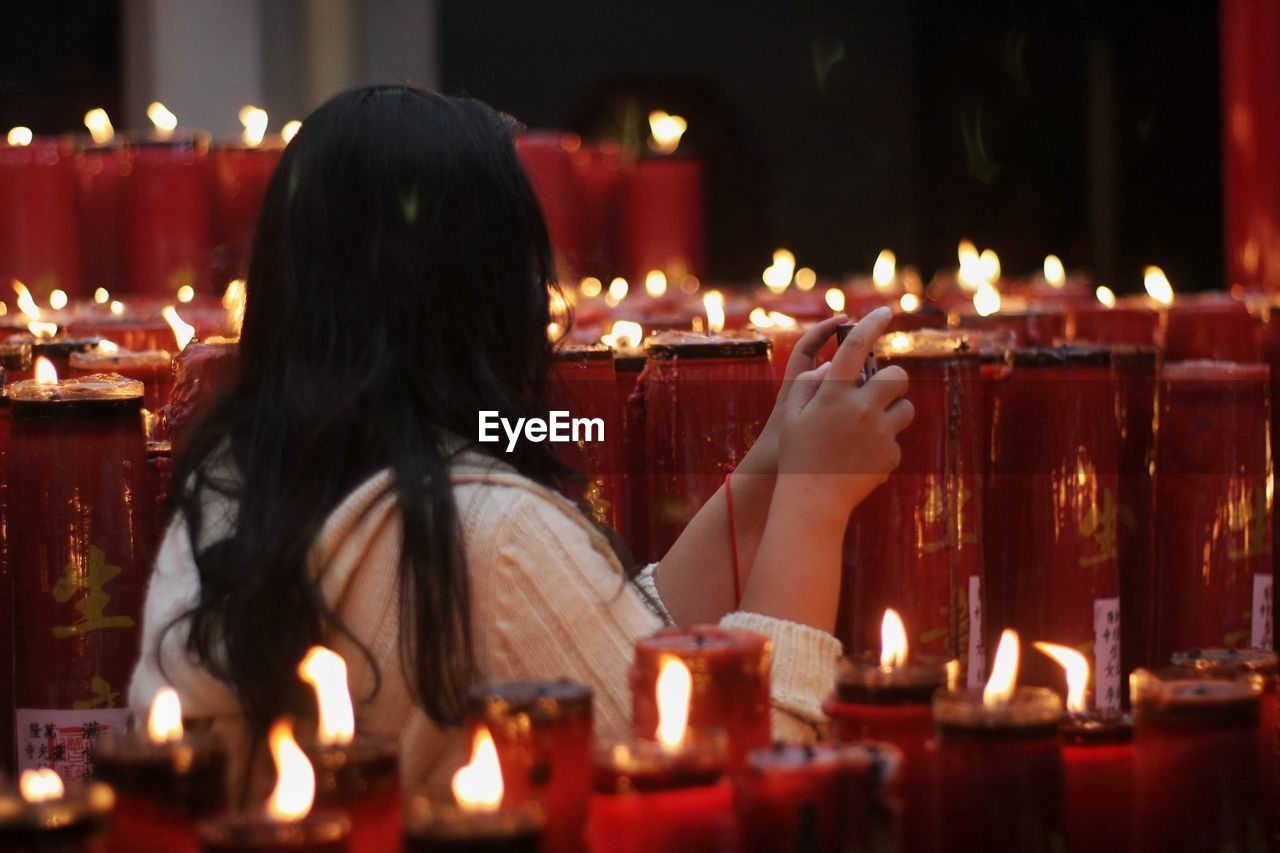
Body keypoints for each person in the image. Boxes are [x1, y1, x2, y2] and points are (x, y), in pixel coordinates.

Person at [128, 85, 913, 803]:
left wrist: (772, 466)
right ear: (478, 294)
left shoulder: (238, 475)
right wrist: (815, 499)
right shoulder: (485, 538)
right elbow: (744, 791)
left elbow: (596, 634)